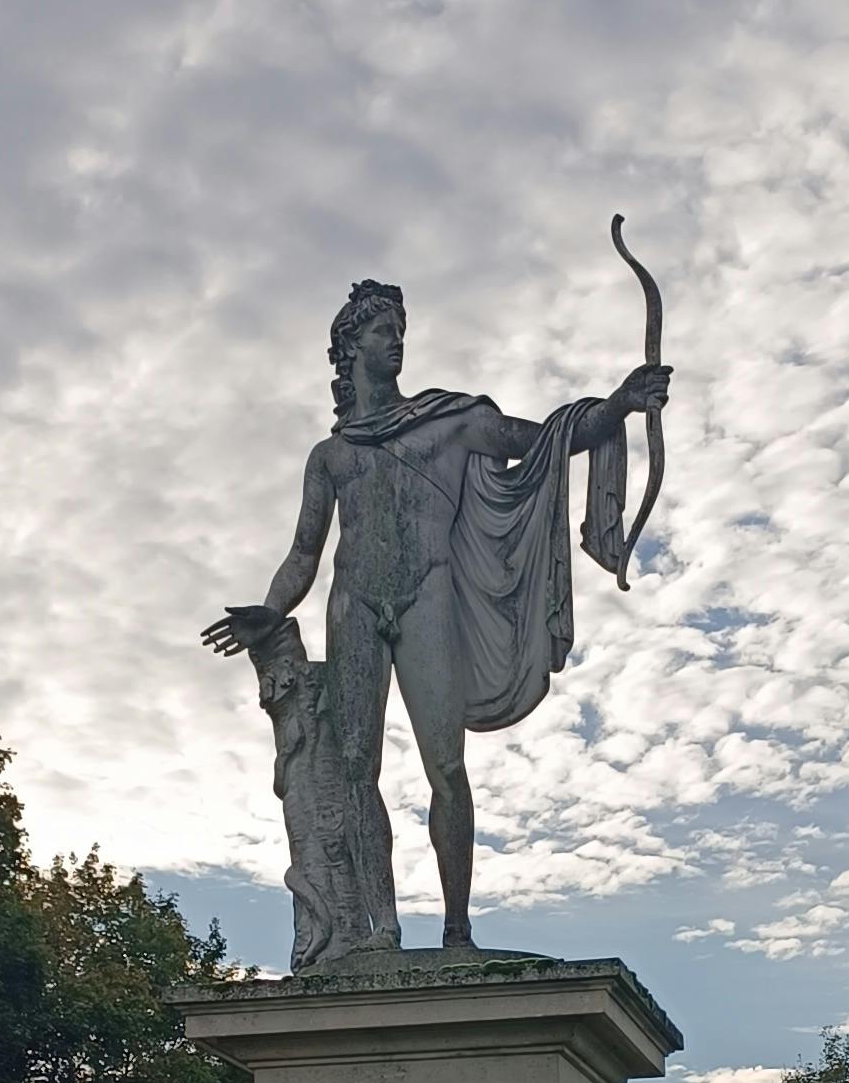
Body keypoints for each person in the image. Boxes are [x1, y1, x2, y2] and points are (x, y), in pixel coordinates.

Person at [204, 277, 670, 949]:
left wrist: (620, 404)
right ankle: (381, 927)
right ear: (350, 347)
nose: (396, 341)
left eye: (400, 330)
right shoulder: (332, 456)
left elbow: (542, 440)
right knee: (357, 766)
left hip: (429, 594)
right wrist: (271, 610)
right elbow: (305, 552)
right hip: (354, 602)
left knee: (446, 767)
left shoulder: (450, 422)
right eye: (381, 331)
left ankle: (456, 928)